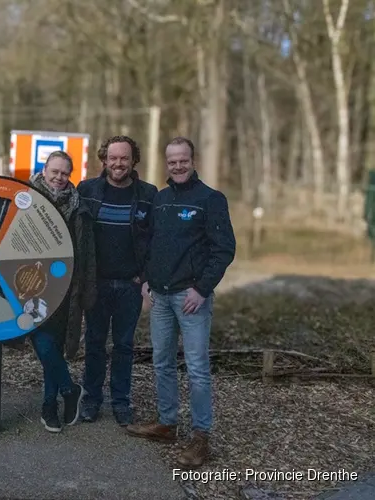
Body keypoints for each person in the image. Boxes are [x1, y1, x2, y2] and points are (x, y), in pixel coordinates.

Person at [126, 137, 236, 468]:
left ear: (192, 160)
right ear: (166, 163)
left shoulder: (211, 199)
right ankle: (167, 423)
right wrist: (146, 280)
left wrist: (202, 289)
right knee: (161, 362)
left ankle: (201, 437)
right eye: (171, 161)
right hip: (160, 296)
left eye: (182, 160)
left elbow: (224, 249)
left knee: (198, 369)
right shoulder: (160, 200)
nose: (177, 165)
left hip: (191, 299)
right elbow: (151, 244)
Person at [76, 136, 157, 426]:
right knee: (95, 343)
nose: (118, 163)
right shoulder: (87, 190)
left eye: (124, 158)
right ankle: (91, 400)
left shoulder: (148, 194)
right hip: (96, 283)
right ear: (104, 160)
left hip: (129, 285)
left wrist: (145, 278)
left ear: (134, 160)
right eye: (113, 158)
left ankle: (121, 403)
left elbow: (153, 240)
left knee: (124, 346)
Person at [28, 151, 97, 432]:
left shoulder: (78, 206)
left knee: (53, 346)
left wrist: (86, 290)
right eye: (54, 171)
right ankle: (69, 390)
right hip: (29, 286)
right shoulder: (26, 199)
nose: (58, 178)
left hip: (65, 288)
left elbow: (88, 252)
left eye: (64, 173)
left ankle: (49, 406)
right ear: (44, 170)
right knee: (42, 342)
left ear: (70, 176)